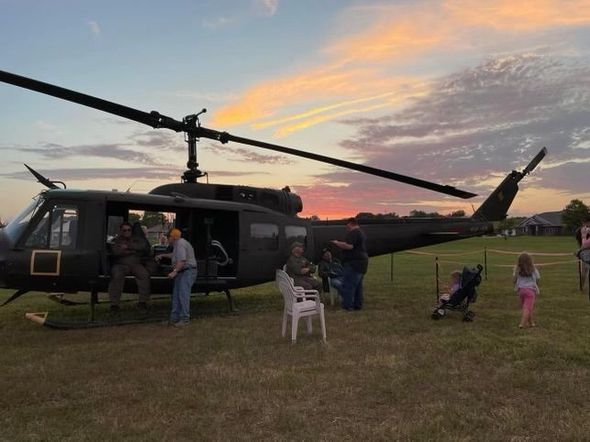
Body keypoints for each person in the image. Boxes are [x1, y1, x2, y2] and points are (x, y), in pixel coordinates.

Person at [155, 228, 197, 327]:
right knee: (176, 296)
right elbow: (175, 255)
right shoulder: (178, 245)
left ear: (172, 237)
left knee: (183, 295)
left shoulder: (180, 244)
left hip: (187, 272)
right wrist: (163, 255)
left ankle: (184, 319)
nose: (167, 239)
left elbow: (182, 260)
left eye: (168, 237)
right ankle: (174, 319)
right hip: (183, 272)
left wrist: (174, 271)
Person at [108, 222, 151, 314]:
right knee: (116, 275)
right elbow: (116, 251)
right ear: (121, 231)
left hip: (136, 264)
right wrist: (132, 251)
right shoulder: (116, 240)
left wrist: (128, 247)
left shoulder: (137, 239)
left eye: (129, 230)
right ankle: (114, 304)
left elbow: (143, 247)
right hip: (121, 264)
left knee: (144, 275)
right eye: (124, 230)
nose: (127, 232)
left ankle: (142, 302)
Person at [331, 217, 369, 311]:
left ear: (350, 224)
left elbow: (349, 246)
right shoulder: (361, 233)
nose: (346, 227)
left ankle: (347, 306)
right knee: (358, 286)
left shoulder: (354, 232)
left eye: (346, 224)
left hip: (353, 263)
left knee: (348, 285)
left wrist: (337, 243)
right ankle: (357, 305)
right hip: (362, 262)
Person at [513, 252, 540, 328]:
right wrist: (536, 285)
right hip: (530, 291)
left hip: (521, 291)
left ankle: (531, 323)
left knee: (527, 307)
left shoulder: (518, 269)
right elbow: (538, 278)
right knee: (527, 308)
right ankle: (522, 323)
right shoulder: (534, 269)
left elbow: (514, 279)